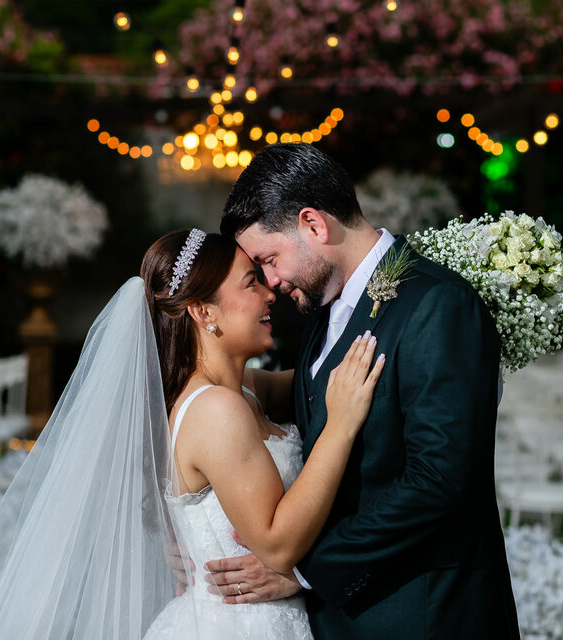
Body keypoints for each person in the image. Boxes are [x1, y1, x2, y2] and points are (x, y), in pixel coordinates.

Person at [0, 228, 383, 640]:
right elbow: (277, 543)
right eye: (251, 282)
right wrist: (339, 429)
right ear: (203, 311)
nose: (270, 294)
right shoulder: (216, 409)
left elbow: (314, 382)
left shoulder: (240, 390)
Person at [209, 142, 522, 639]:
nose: (271, 281)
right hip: (344, 618)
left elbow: (440, 481)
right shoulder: (324, 311)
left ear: (314, 224)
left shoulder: (439, 304)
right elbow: (302, 403)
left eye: (269, 259)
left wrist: (307, 569)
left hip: (422, 614)